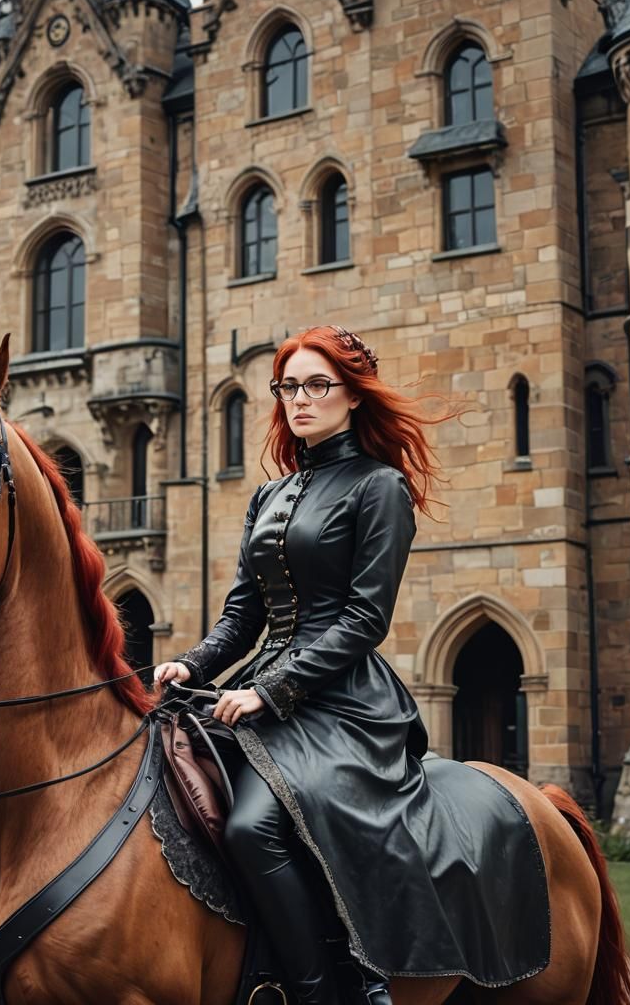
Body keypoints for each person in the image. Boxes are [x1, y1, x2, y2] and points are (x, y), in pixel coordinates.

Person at [154, 326, 460, 1005]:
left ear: (352, 396)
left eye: (317, 384)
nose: (300, 398)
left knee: (251, 825)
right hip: (261, 688)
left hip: (342, 702)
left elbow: (364, 620)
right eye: (289, 386)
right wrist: (189, 662)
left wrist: (270, 689)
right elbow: (243, 616)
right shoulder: (269, 495)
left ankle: (330, 991)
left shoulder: (380, 487)